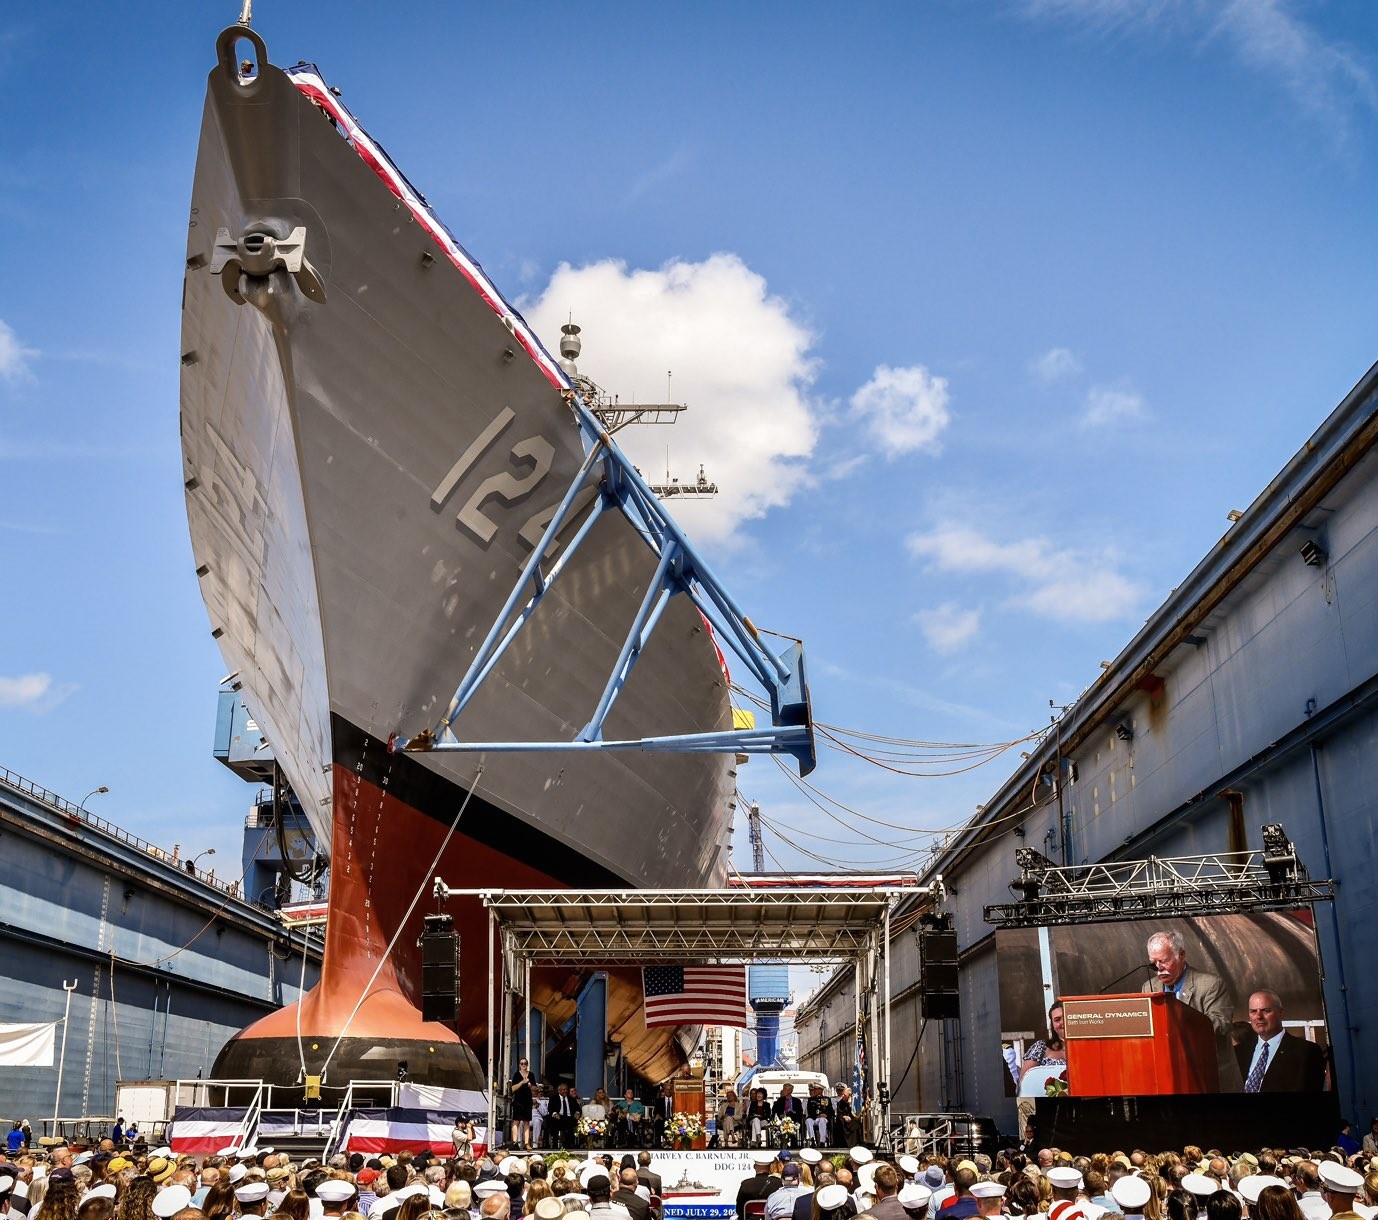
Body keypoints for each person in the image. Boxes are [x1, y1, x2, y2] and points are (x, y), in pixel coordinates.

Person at [1140, 930, 1243, 1091]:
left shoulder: (1211, 985)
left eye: (1164, 961)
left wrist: (1182, 1023)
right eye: (1153, 963)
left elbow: (1222, 1024)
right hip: (1169, 1081)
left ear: (1181, 955)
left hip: (1210, 1079)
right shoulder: (1149, 987)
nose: (1158, 969)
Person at [1235, 991, 1326, 1093]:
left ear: (1281, 1013)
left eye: (1266, 1010)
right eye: (1253, 1011)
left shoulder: (1306, 1051)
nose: (1258, 1016)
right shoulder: (1238, 1052)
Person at [737, 1153, 781, 1220]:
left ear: (754, 1167)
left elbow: (739, 1210)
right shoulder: (778, 1183)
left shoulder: (746, 1184)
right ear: (769, 1167)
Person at [510, 1059, 536, 1151]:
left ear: (527, 1064)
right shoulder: (517, 1075)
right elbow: (512, 1088)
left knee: (526, 1122)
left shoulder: (531, 1075)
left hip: (527, 1100)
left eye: (525, 1063)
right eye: (522, 1063)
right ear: (519, 1065)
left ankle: (526, 1143)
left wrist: (530, 1085)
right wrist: (522, 1082)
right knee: (516, 1121)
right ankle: (515, 1142)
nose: (523, 1065)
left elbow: (535, 1088)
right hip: (518, 1100)